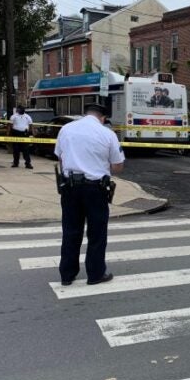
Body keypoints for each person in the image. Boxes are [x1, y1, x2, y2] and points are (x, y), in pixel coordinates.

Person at [54, 103, 125, 286]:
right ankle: (95, 274)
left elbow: (60, 157)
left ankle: (67, 275)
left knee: (70, 231)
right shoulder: (107, 134)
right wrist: (99, 164)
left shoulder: (66, 129)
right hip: (96, 189)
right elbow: (118, 166)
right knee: (97, 233)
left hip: (70, 187)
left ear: (85, 114)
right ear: (102, 118)